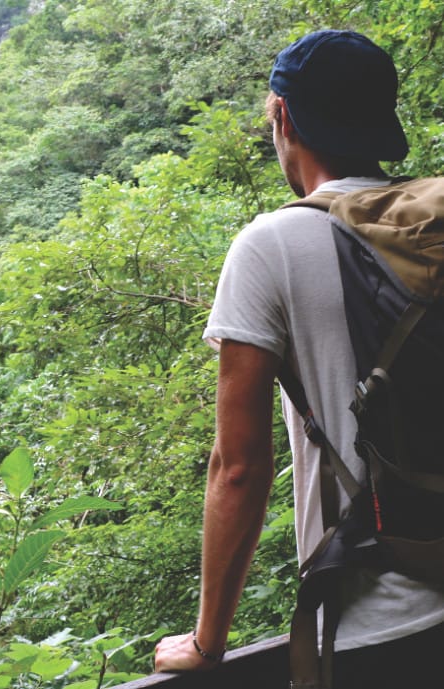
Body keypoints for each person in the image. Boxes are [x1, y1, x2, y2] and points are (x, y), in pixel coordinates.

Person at [152, 29, 444, 685]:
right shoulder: (429, 227)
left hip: (372, 630)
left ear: (283, 116)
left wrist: (206, 641)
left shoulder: (273, 244)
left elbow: (239, 466)